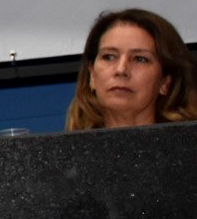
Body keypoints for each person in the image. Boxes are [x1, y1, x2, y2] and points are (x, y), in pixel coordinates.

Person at [63, 7, 197, 130]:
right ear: (92, 74)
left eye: (140, 59)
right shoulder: (66, 148)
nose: (121, 70)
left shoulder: (189, 147)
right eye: (109, 57)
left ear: (165, 82)